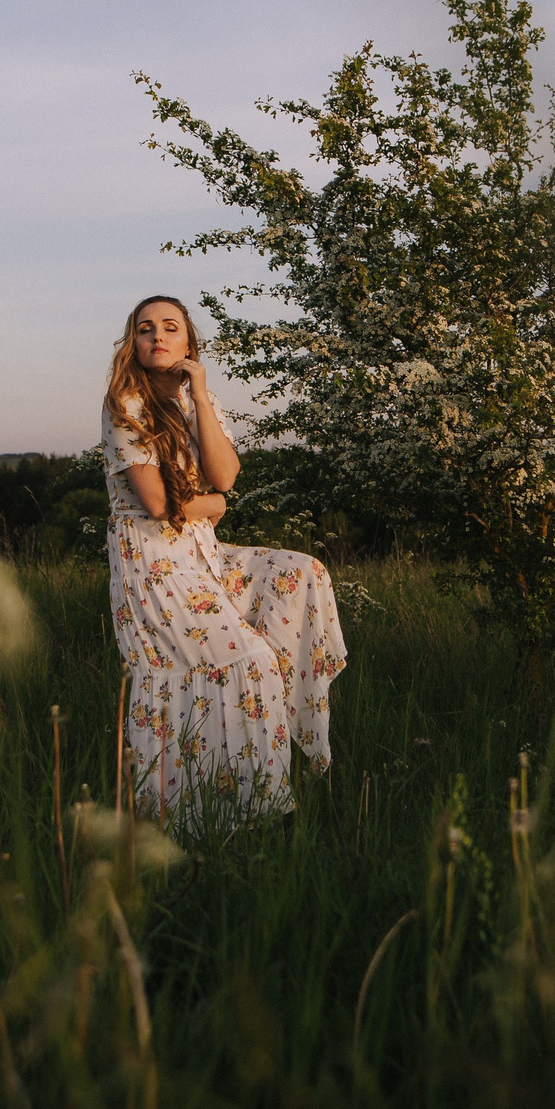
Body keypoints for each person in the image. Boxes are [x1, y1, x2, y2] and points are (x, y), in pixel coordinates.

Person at [101, 294, 346, 820]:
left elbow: (226, 474)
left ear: (189, 342)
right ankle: (238, 808)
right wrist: (215, 504)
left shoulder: (200, 404)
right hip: (152, 562)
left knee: (300, 573)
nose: (158, 337)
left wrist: (203, 396)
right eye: (146, 329)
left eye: (170, 327)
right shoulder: (126, 406)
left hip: (200, 552)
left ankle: (269, 768)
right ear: (133, 344)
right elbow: (162, 505)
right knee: (250, 661)